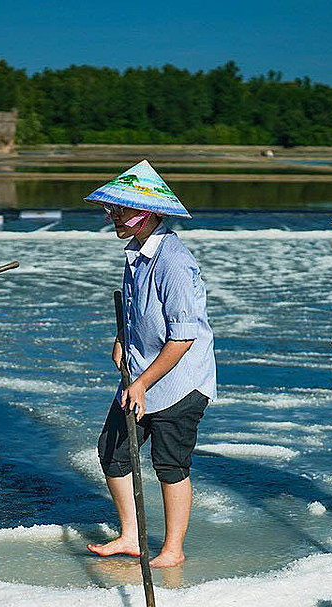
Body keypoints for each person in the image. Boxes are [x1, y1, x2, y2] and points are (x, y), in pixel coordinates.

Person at [84, 160, 216, 569]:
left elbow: (183, 337)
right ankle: (130, 535)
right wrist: (122, 338)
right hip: (140, 372)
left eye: (120, 210)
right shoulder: (137, 254)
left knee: (170, 464)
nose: (112, 216)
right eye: (112, 209)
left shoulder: (174, 261)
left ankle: (173, 548)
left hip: (180, 380)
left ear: (147, 214)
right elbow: (137, 311)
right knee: (113, 452)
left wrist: (142, 382)